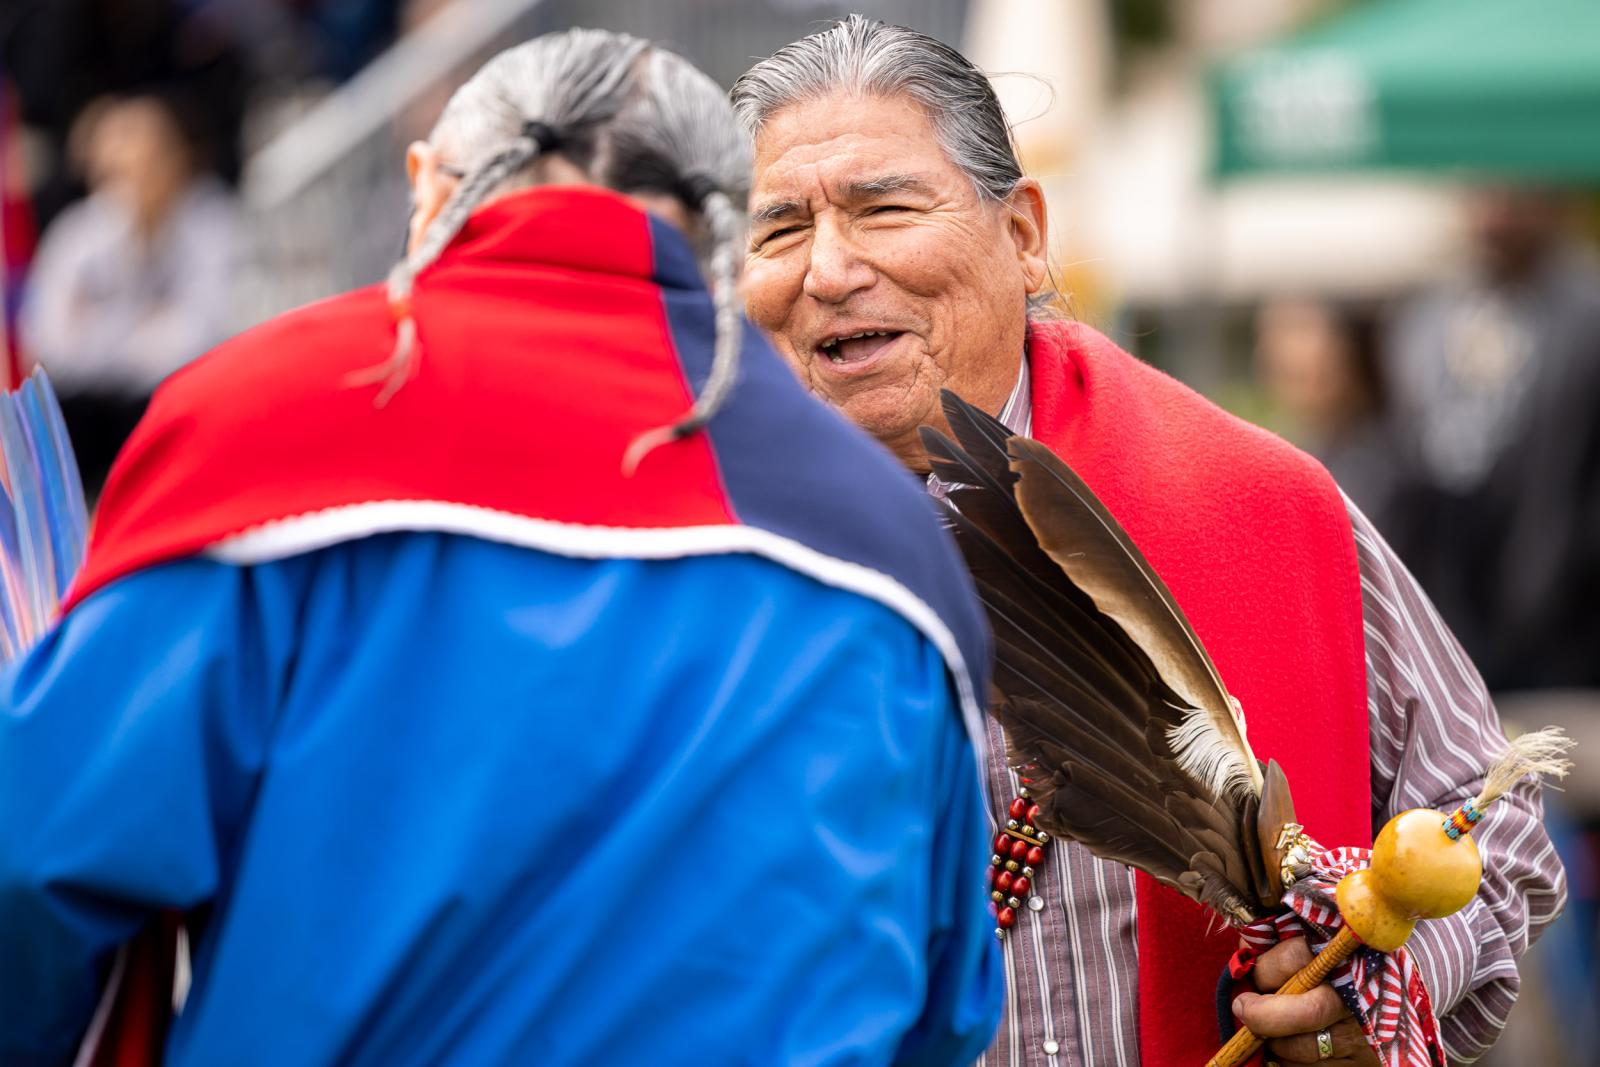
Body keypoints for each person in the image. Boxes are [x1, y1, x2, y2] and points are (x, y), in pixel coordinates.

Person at [0, 30, 1003, 1066]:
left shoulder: (251, 427)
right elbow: (945, 1000)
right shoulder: (885, 537)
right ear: (724, 228)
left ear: (427, 190)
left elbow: (37, 859)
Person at [733, 16, 1565, 1067]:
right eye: (777, 231)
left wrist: (1372, 973)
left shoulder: (1261, 503)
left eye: (883, 208)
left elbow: (1495, 830)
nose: (830, 268)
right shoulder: (691, 567)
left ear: (1024, 233)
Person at [1384, 184, 1600, 694]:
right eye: (1482, 192)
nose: (1495, 214)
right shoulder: (1429, 316)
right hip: (1445, 618)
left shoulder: (1586, 315)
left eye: (1514, 193)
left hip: (1562, 634)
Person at [22, 91, 242, 495]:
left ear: (177, 160)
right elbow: (50, 343)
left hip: (176, 407)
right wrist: (141, 325)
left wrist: (101, 326)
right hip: (92, 420)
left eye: (151, 161)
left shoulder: (212, 223)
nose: (137, 179)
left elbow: (202, 333)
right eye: (121, 169)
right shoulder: (78, 236)